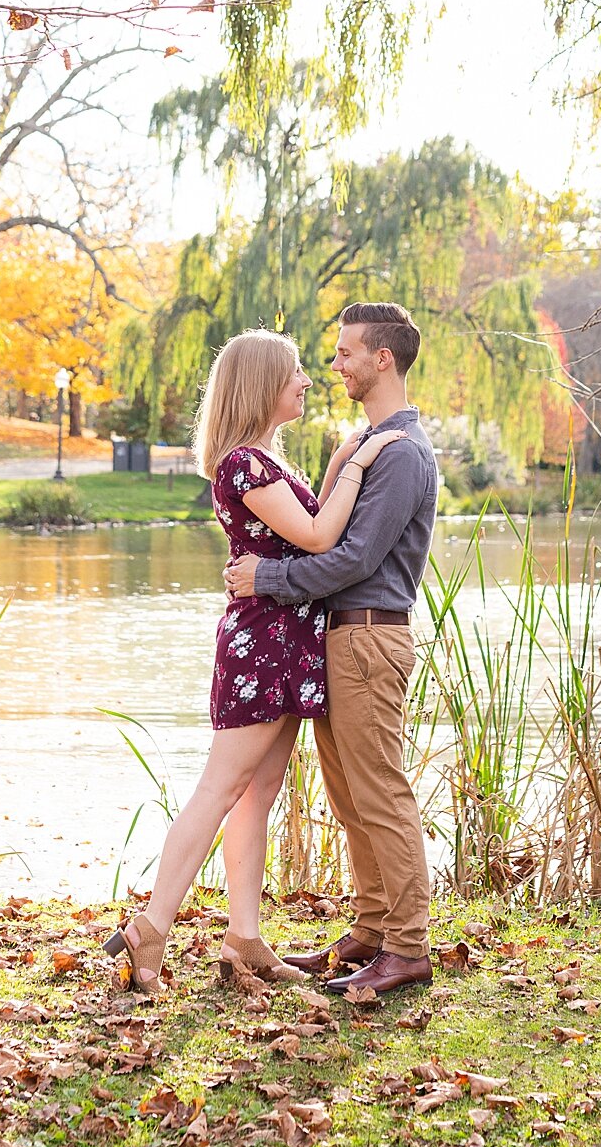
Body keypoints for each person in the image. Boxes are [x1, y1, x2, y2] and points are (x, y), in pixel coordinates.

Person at [103, 328, 403, 994]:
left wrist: (341, 461)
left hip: (284, 642)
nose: (306, 380)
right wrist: (359, 460)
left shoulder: (266, 462)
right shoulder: (244, 464)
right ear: (263, 383)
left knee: (256, 794)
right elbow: (324, 535)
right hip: (263, 645)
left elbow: (312, 520)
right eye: (295, 372)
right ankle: (149, 928)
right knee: (219, 789)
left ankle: (244, 937)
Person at [224, 302, 439, 998]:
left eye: (346, 352)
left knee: (381, 791)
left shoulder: (401, 452)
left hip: (371, 634)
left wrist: (268, 577)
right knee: (351, 795)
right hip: (339, 637)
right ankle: (373, 928)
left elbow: (350, 557)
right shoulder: (369, 444)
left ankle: (408, 946)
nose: (334, 364)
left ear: (383, 359)